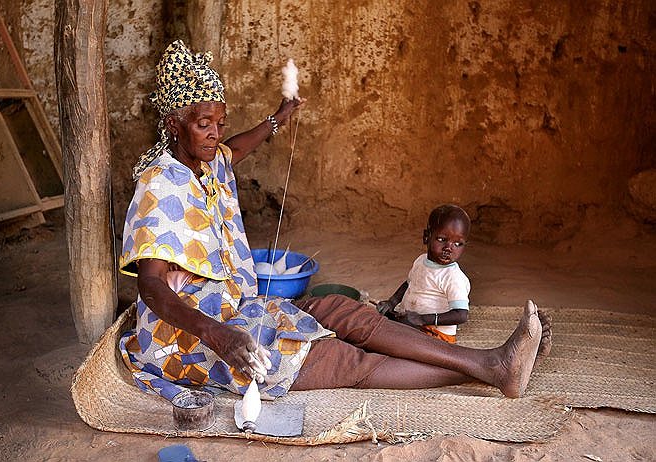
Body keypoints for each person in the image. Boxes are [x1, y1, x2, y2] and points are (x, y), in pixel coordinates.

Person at [118, 40, 551, 405]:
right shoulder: (160, 187)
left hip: (236, 309)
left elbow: (234, 148)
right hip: (187, 337)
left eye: (219, 123)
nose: (214, 133)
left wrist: (278, 118)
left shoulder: (206, 161)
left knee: (342, 311)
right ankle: (490, 369)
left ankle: (494, 363)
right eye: (204, 125)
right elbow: (152, 287)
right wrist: (220, 336)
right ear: (175, 124)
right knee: (342, 358)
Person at [377, 204, 471, 343]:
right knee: (376, 322)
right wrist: (391, 303)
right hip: (413, 324)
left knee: (387, 341)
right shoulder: (420, 261)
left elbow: (461, 315)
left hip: (436, 334)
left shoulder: (453, 277)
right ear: (426, 237)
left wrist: (421, 319)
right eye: (442, 239)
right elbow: (409, 283)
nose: (448, 248)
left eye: (458, 244)